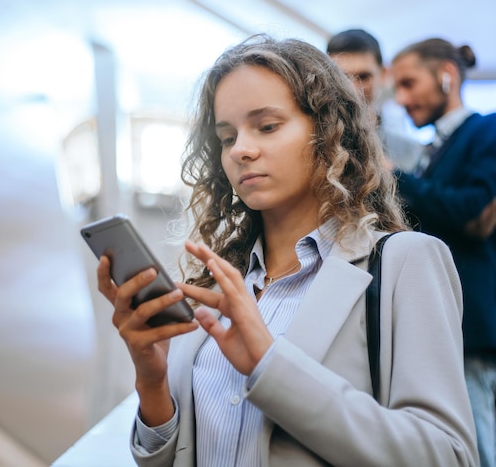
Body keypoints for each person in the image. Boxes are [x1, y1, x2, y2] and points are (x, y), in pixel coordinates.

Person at [96, 35, 478, 466]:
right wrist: (152, 381)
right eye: (226, 136)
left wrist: (269, 362)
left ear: (329, 129)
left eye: (267, 126)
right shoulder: (214, 291)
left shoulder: (406, 261)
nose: (241, 149)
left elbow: (448, 456)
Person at [391, 37, 496, 467]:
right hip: (439, 323)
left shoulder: (487, 129)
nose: (402, 99)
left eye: (409, 83)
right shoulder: (432, 151)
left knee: (478, 447)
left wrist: (395, 177)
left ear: (446, 76)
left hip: (471, 327)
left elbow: (475, 213)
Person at [327, 28, 424, 171]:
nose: (353, 89)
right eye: (342, 77)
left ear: (384, 74)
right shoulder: (309, 138)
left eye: (363, 77)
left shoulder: (409, 151)